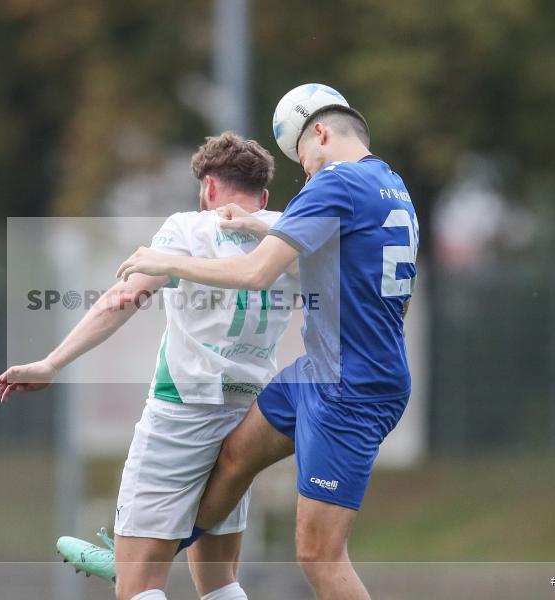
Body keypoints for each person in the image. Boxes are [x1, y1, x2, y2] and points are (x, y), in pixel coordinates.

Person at [115, 89, 420, 599]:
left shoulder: (332, 183)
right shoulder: (391, 184)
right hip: (320, 372)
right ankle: (144, 561)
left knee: (319, 555)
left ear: (320, 134)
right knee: (233, 458)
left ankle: (138, 569)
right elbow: (363, 259)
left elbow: (257, 273)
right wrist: (259, 223)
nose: (303, 172)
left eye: (300, 156)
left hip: (350, 389)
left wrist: (166, 263)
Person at [0, 132, 299, 600]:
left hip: (180, 416)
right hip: (245, 416)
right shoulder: (288, 234)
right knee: (219, 581)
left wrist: (53, 362)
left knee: (137, 585)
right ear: (265, 195)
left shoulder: (188, 229)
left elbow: (124, 298)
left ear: (209, 189)